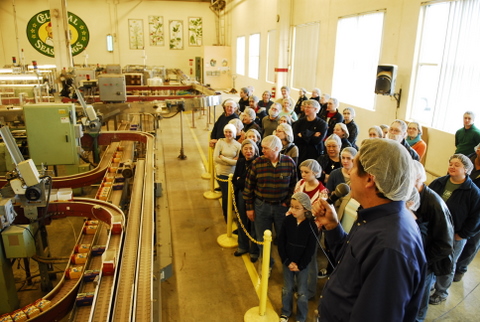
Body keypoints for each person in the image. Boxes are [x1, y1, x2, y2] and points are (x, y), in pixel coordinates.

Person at [313, 138, 427, 321]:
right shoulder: (376, 217)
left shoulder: (390, 247)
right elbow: (352, 260)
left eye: (354, 168)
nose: (349, 173)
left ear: (369, 179)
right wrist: (333, 226)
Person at [428, 154, 480, 304]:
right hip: (435, 231)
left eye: (457, 165)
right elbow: (426, 200)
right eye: (451, 164)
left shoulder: (473, 192)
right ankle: (431, 284)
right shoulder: (439, 183)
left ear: (467, 169)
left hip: (455, 235)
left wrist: (462, 235)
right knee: (432, 259)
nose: (452, 166)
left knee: (448, 264)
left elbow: (476, 218)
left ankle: (441, 292)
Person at [243, 135, 297, 270]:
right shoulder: (257, 163)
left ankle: (287, 265)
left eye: (265, 148)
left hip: (281, 208)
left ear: (277, 149)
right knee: (262, 239)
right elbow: (249, 187)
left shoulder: (289, 163)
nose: (262, 151)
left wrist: (287, 202)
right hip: (262, 206)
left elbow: (294, 186)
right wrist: (250, 208)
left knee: (284, 238)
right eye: (262, 148)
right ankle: (267, 264)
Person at [411, 160, 454, 322]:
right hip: (413, 260)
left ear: (416, 178)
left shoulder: (434, 204)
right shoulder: (411, 195)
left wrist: (423, 262)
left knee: (419, 302)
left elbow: (445, 245)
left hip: (425, 263)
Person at [278, 192, 318, 322]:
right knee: (287, 289)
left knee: (302, 292)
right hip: (288, 262)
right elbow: (281, 243)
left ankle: (301, 317)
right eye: (291, 206)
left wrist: (300, 265)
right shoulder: (287, 221)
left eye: (297, 207)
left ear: (306, 208)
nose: (293, 210)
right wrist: (287, 261)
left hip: (302, 265)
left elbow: (310, 250)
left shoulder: (312, 226)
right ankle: (286, 312)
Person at [294, 159, 329, 297]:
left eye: (306, 172)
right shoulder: (300, 184)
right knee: (297, 256)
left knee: (310, 258)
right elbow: (294, 203)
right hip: (297, 226)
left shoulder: (322, 192)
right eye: (302, 171)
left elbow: (320, 213)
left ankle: (309, 290)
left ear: (315, 172)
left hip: (311, 229)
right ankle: (299, 284)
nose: (303, 174)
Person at [232, 139, 260, 263]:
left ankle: (254, 251)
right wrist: (241, 181)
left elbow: (254, 184)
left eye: (250, 149)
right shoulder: (241, 162)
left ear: (255, 150)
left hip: (254, 197)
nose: (248, 151)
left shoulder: (258, 163)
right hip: (241, 195)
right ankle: (242, 246)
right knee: (242, 221)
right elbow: (234, 179)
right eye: (245, 149)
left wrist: (241, 180)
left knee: (254, 224)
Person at [213, 124, 242, 222]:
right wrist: (231, 161)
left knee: (233, 195)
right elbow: (215, 158)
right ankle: (226, 215)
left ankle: (233, 212)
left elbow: (238, 162)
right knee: (226, 195)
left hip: (233, 174)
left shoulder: (238, 145)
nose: (228, 134)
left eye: (230, 132)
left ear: (233, 133)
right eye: (226, 132)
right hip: (222, 173)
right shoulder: (220, 142)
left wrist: (223, 158)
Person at [294, 100, 328, 165]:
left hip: (314, 153)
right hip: (300, 152)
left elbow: (317, 141)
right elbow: (296, 139)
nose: (306, 109)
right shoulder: (299, 122)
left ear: (315, 109)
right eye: (305, 107)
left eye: (309, 107)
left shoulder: (322, 124)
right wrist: (312, 134)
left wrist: (302, 135)